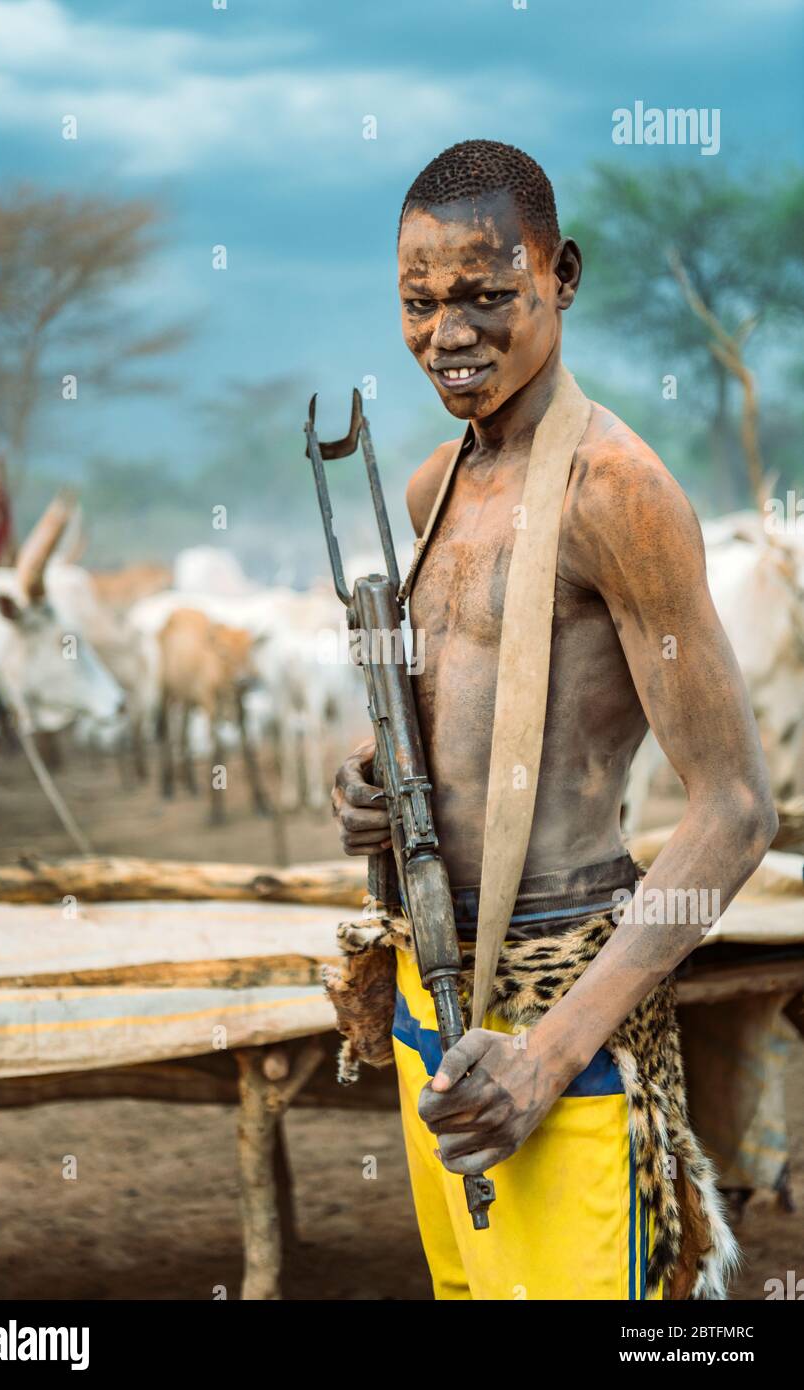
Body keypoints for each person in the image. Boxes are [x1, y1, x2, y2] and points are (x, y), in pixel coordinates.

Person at [330, 140, 777, 1300]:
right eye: (419, 303)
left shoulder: (615, 493)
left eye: (487, 294)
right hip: (437, 1008)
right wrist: (374, 783)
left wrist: (548, 1055)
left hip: (559, 1007)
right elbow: (456, 732)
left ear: (560, 274)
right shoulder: (432, 490)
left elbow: (732, 810)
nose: (449, 334)